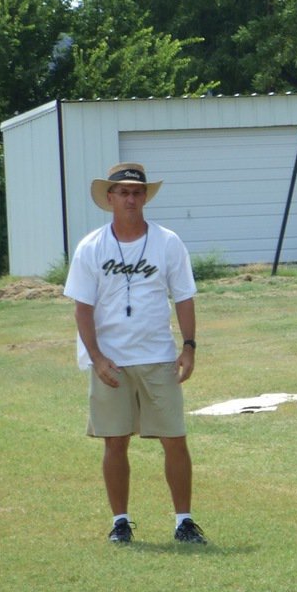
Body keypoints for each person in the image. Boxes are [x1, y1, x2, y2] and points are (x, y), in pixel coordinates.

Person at [63, 162, 207, 545]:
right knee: (115, 440)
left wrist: (188, 347)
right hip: (111, 359)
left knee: (174, 437)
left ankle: (184, 521)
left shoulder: (167, 242)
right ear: (109, 198)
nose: (131, 198)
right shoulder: (91, 246)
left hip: (158, 356)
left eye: (137, 192)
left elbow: (185, 296)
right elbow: (82, 306)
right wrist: (96, 357)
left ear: (145, 197)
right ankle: (121, 522)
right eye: (123, 192)